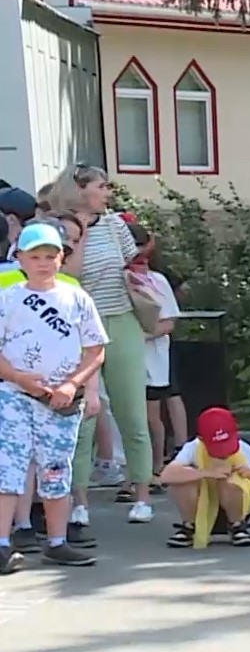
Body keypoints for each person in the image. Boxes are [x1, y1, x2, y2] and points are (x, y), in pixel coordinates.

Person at [47, 164, 154, 524]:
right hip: (79, 328)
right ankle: (79, 501)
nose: (107, 192)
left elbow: (131, 263)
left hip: (120, 318)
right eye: (101, 186)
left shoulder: (116, 224)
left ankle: (141, 492)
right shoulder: (62, 228)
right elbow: (70, 274)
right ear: (80, 191)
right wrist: (81, 232)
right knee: (82, 416)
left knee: (131, 411)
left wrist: (136, 280)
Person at [0, 222, 108, 573]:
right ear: (21, 259)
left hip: (60, 401)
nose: (43, 263)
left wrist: (72, 384)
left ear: (62, 258)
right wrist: (18, 377)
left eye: (51, 255)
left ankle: (57, 542)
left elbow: (95, 350)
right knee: (9, 470)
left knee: (56, 469)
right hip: (14, 397)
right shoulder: (8, 298)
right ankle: (3, 543)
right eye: (36, 256)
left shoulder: (76, 298)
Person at [156, 406, 250, 549]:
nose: (223, 453)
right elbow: (166, 476)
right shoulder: (193, 447)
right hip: (200, 506)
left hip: (233, 505)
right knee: (182, 481)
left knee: (229, 483)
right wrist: (206, 472)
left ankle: (236, 525)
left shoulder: (243, 448)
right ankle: (189, 526)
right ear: (201, 439)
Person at [128, 224, 186, 475]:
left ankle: (156, 465)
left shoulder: (158, 281)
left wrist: (139, 337)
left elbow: (169, 322)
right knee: (131, 418)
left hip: (153, 361)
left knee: (152, 416)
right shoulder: (118, 280)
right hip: (125, 360)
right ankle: (134, 471)